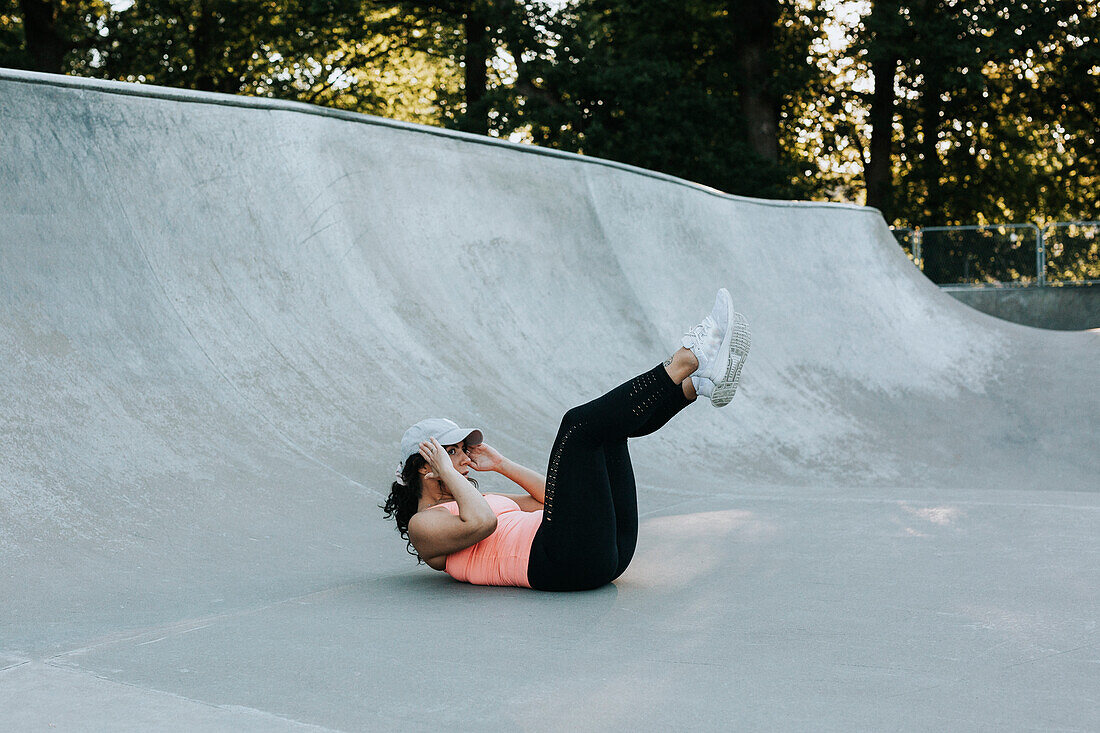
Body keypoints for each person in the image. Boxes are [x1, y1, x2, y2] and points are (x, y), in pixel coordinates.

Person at [382, 289, 750, 591]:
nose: (463, 458)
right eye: (450, 452)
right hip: (559, 562)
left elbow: (557, 498)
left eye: (462, 450)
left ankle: (692, 386)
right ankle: (689, 358)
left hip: (606, 555)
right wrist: (449, 473)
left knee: (608, 433)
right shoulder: (423, 525)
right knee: (576, 425)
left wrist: (502, 465)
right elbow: (482, 524)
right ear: (425, 468)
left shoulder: (481, 499)